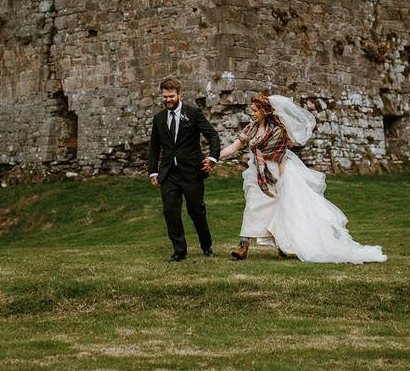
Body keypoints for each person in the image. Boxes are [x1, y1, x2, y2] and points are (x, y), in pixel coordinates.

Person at [219, 94, 387, 264]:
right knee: (252, 207)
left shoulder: (278, 131)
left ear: (264, 111)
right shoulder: (250, 128)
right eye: (251, 111)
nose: (252, 113)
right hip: (257, 173)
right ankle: (243, 245)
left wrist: (283, 181)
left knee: (282, 209)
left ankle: (282, 246)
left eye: (254, 110)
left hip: (276, 172)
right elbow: (233, 147)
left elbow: (282, 156)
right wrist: (213, 157)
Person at [148, 78, 221, 262]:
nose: (168, 100)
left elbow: (212, 134)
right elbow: (154, 147)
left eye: (171, 96)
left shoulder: (193, 113)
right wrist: (153, 171)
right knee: (170, 211)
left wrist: (212, 157)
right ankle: (179, 250)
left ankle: (206, 245)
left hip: (191, 172)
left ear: (179, 94)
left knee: (196, 210)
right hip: (168, 173)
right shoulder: (159, 118)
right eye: (165, 96)